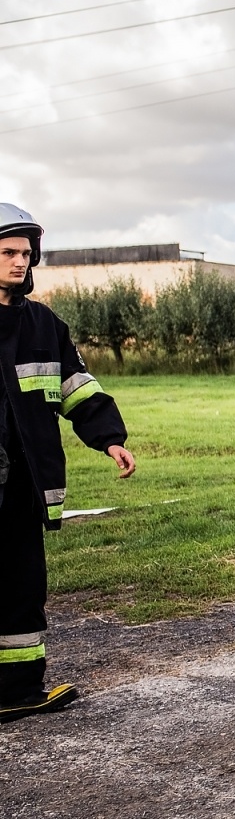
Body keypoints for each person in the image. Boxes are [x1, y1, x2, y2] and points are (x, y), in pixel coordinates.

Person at [0, 204, 136, 723]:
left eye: (26, 254)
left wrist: (109, 439)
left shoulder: (43, 325)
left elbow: (78, 391)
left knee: (21, 587)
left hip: (23, 485)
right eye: (8, 253)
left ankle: (18, 689)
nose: (19, 263)